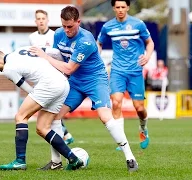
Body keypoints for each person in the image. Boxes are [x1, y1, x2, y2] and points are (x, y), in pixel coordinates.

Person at [29, 5, 138, 172]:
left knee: (104, 116)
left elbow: (69, 68)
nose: (66, 30)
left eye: (70, 26)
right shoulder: (59, 34)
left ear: (78, 22)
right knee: (54, 117)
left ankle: (130, 158)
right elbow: (59, 58)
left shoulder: (86, 40)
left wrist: (44, 56)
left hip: (95, 80)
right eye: (64, 26)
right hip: (75, 82)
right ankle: (56, 162)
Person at [0, 46, 83, 171]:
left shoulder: (8, 68)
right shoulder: (21, 50)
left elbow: (27, 88)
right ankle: (73, 159)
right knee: (42, 128)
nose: (0, 70)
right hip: (62, 82)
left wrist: (40, 98)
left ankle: (20, 161)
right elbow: (50, 52)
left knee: (20, 116)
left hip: (49, 84)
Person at [97, 0, 154, 150]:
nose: (121, 10)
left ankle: (143, 129)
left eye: (123, 7)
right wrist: (97, 58)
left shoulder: (138, 24)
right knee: (116, 102)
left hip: (135, 71)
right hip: (117, 71)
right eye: (118, 7)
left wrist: (147, 56)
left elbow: (150, 42)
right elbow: (99, 43)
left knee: (139, 108)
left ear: (128, 7)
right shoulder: (107, 26)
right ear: (114, 8)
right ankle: (121, 140)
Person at [29, 9, 74, 145]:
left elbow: (59, 55)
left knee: (52, 107)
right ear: (35, 21)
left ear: (47, 20)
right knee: (48, 107)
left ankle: (63, 134)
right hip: (41, 76)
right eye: (38, 18)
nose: (41, 21)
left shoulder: (55, 35)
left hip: (55, 75)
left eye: (43, 18)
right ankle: (65, 133)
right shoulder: (32, 37)